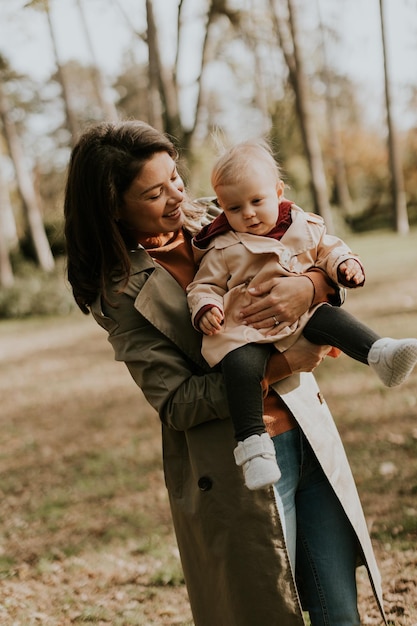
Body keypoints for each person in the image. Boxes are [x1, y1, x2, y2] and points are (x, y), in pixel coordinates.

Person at [63, 120, 387, 626]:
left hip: (308, 431)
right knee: (265, 610)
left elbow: (312, 242)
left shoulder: (222, 219)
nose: (177, 196)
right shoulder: (119, 291)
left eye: (175, 177)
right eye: (154, 192)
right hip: (238, 463)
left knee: (339, 613)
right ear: (113, 207)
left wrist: (315, 284)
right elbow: (177, 403)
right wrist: (283, 363)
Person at [186, 139, 417, 491]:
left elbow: (331, 250)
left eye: (257, 201)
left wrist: (346, 265)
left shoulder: (304, 225)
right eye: (234, 207)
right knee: (241, 366)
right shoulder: (221, 247)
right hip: (248, 328)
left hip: (301, 321)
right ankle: (252, 446)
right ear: (222, 208)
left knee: (328, 317)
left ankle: (379, 353)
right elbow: (203, 285)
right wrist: (207, 306)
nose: (247, 213)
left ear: (278, 191)